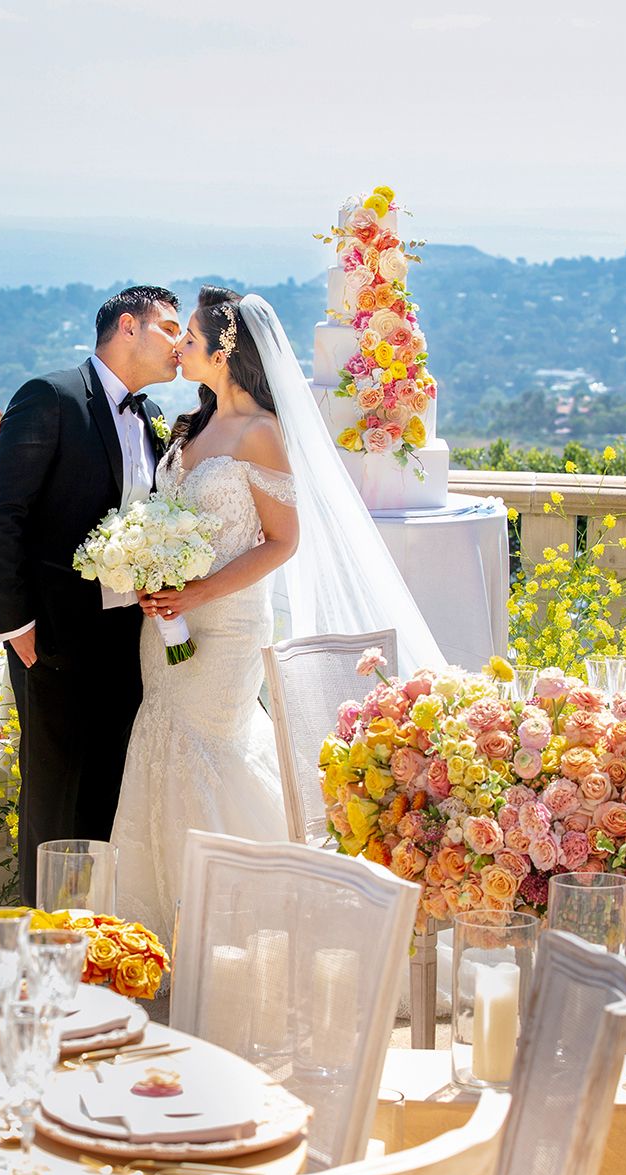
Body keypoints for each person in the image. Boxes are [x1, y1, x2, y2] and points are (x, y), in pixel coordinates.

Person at [112, 287, 443, 936]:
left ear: (224, 349)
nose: (180, 345)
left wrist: (200, 593)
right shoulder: (190, 428)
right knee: (160, 745)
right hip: (168, 626)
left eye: (191, 336)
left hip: (228, 628)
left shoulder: (261, 433)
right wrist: (153, 574)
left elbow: (283, 541)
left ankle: (248, 923)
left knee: (210, 750)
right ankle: (166, 928)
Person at [0, 285, 182, 905]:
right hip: (55, 640)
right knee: (54, 796)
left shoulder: (149, 420)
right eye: (169, 328)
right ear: (127, 327)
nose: (179, 343)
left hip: (128, 639)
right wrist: (17, 627)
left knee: (108, 794)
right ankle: (43, 937)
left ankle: (91, 937)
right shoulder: (52, 397)